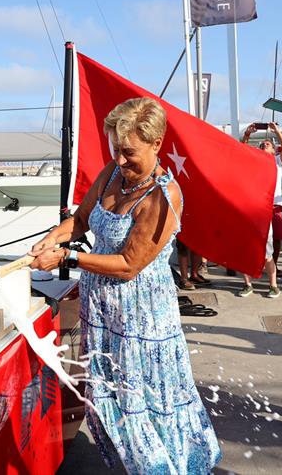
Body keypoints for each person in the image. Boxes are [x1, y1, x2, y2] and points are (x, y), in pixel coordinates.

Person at [29, 97, 220, 473]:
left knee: (144, 401)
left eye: (129, 151)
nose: (119, 159)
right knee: (108, 394)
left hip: (141, 319)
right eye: (115, 148)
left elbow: (130, 264)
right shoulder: (111, 175)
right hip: (102, 312)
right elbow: (82, 219)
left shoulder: (163, 198)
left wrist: (68, 258)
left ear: (156, 143)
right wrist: (54, 238)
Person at [237, 122, 282, 298]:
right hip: (252, 209)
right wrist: (247, 135)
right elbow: (240, 152)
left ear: (274, 150)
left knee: (270, 248)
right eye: (262, 144)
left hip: (270, 208)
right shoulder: (253, 162)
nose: (263, 145)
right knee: (246, 248)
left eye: (268, 144)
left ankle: (273, 285)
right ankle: (247, 284)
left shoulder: (277, 163)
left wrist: (277, 130)